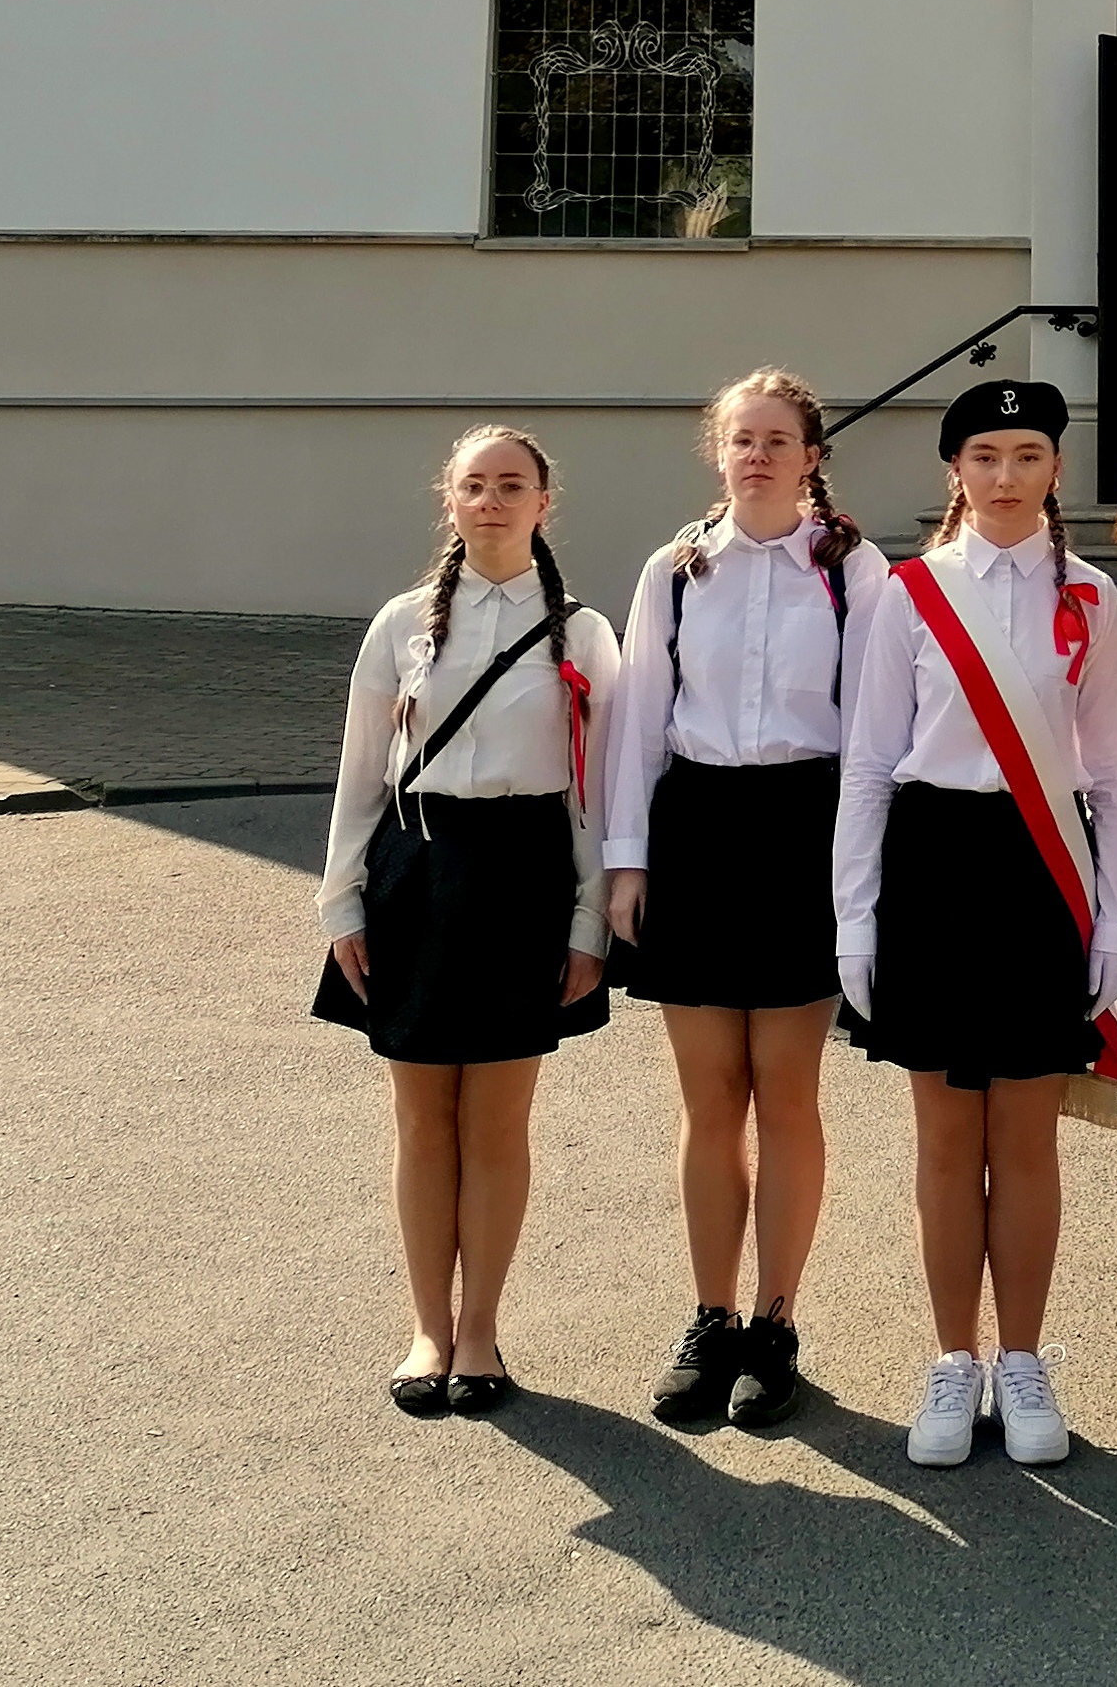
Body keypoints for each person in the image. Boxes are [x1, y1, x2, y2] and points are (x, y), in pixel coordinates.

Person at [833, 380, 1117, 1470]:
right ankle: (950, 1359)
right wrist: (854, 919)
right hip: (932, 867)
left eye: (1026, 455)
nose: (1005, 476)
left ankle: (1021, 1358)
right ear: (954, 471)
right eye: (983, 456)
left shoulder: (1090, 598)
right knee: (942, 1139)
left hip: (1040, 872)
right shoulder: (909, 593)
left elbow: (1116, 775)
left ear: (1056, 469)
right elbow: (869, 763)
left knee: (1023, 1137)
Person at [312, 424, 618, 1419]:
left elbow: (594, 790)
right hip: (416, 867)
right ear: (449, 500)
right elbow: (363, 771)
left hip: (525, 874)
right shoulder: (401, 623)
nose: (491, 500)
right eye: (474, 485)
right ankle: (426, 1330)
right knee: (419, 1117)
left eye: (511, 484)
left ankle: (479, 1330)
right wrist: (340, 897)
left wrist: (588, 919)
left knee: (496, 1120)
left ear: (543, 503)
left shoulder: (583, 632)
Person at [602, 368, 888, 1432]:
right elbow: (637, 720)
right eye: (740, 439)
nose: (757, 455)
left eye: (777, 439)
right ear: (716, 454)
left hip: (805, 827)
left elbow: (875, 730)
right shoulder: (675, 570)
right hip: (697, 831)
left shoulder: (853, 569)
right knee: (709, 1098)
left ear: (811, 456)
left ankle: (775, 1325)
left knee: (786, 1092)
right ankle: (710, 1317)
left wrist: (861, 873)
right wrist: (627, 860)